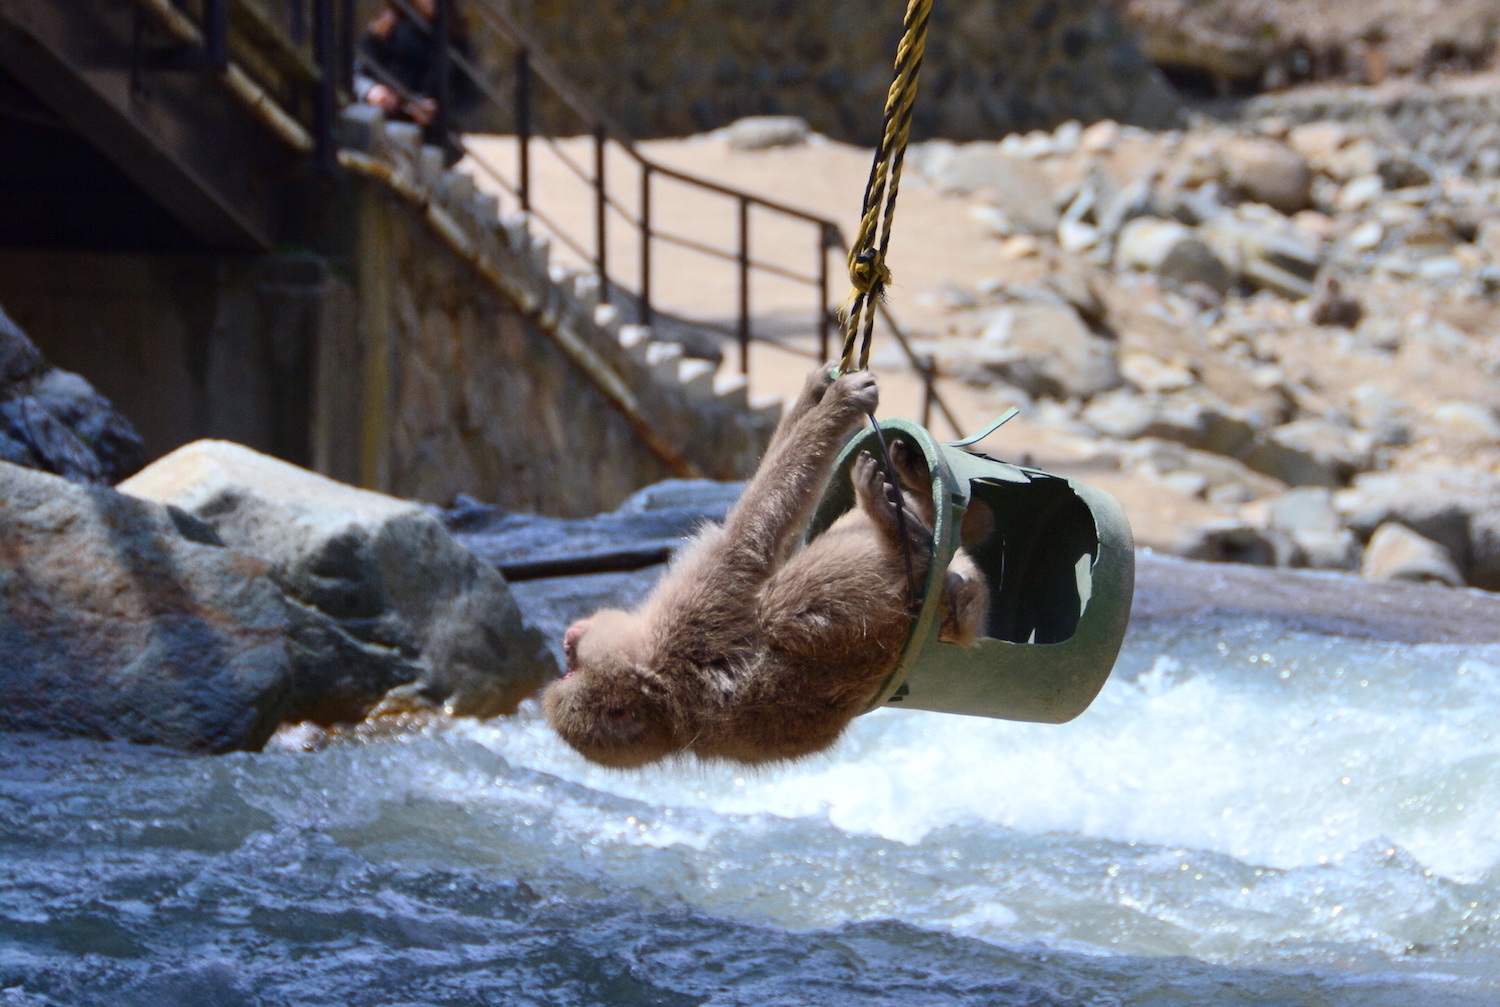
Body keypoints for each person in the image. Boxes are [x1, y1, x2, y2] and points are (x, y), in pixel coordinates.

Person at [354, 0, 474, 129]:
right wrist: (371, 90)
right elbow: (357, 72)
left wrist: (439, 112)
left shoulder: (456, 32)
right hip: (387, 121)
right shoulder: (387, 25)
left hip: (433, 133)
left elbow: (468, 93)